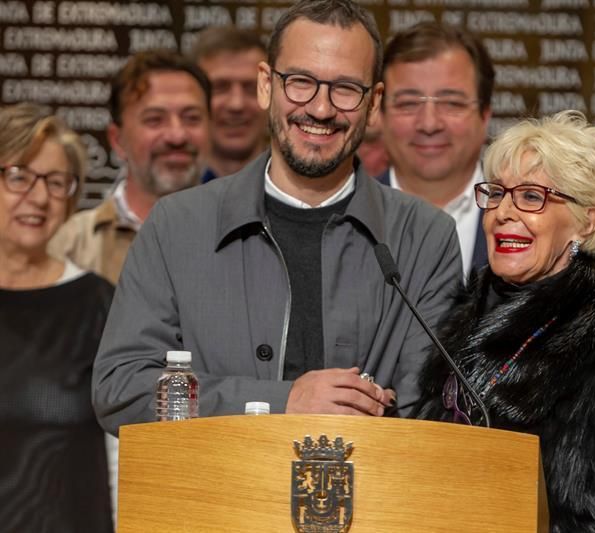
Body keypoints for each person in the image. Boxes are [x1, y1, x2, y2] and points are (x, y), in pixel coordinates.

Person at [92, 0, 462, 435]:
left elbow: (436, 416)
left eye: (345, 89)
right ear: (266, 85)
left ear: (374, 102)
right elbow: (120, 390)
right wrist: (280, 402)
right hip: (216, 500)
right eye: (301, 82)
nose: (321, 110)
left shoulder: (425, 238)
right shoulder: (177, 226)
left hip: (371, 499)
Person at [416, 111, 595, 533]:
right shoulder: (460, 316)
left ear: (586, 222)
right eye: (497, 192)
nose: (503, 212)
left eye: (531, 197)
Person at [0, 103, 114, 532]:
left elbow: (121, 456)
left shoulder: (99, 304)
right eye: (19, 176)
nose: (40, 196)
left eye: (56, 182)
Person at [49, 49, 211, 283]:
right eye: (155, 119)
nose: (177, 135)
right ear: (117, 140)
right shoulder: (69, 245)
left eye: (192, 117)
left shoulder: (244, 237)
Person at [378, 22, 494, 277]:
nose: (429, 124)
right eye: (408, 103)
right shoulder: (344, 217)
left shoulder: (527, 221)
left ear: (484, 115)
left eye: (451, 103)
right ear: (380, 113)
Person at [190, 26, 270, 182]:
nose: (237, 104)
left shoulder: (302, 190)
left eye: (251, 88)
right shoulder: (166, 194)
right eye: (220, 87)